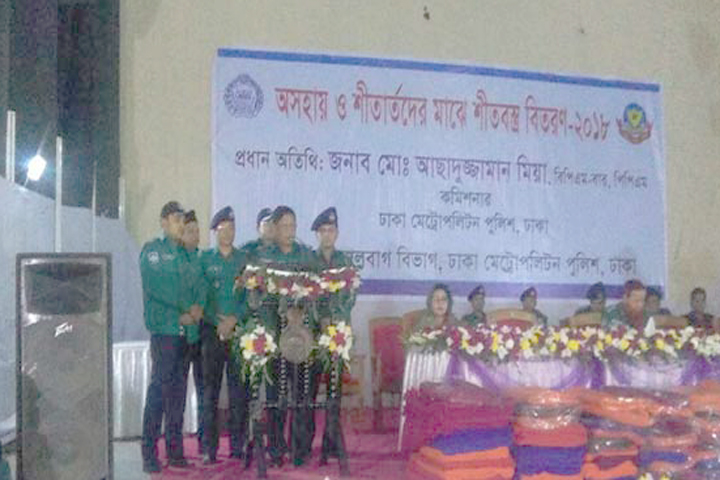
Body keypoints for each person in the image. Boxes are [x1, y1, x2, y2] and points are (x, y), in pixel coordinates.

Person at [140, 201, 201, 472]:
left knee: (178, 394)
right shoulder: (153, 251)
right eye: (176, 219)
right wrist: (185, 310)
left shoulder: (187, 255)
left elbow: (198, 285)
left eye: (182, 219)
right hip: (165, 332)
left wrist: (197, 308)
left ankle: (175, 451)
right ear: (163, 222)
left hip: (186, 334)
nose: (180, 224)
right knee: (159, 393)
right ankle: (149, 452)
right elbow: (157, 287)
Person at [302, 207, 356, 468]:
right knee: (309, 391)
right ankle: (305, 444)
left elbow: (350, 297)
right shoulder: (309, 262)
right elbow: (307, 295)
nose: (327, 234)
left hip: (337, 336)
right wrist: (321, 319)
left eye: (331, 230)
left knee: (335, 392)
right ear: (317, 234)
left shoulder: (345, 261)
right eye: (322, 230)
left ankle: (331, 443)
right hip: (313, 336)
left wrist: (333, 321)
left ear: (337, 233)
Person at [261, 206, 314, 466]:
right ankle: (275, 449)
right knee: (276, 395)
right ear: (275, 228)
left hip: (300, 338)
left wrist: (300, 313)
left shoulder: (305, 256)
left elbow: (315, 290)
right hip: (275, 336)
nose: (289, 231)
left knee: (301, 395)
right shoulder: (266, 258)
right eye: (284, 226)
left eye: (293, 225)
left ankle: (299, 448)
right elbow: (259, 296)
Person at [200, 206, 248, 464]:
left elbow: (251, 296)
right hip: (212, 332)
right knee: (210, 392)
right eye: (222, 229)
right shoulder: (205, 259)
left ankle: (237, 447)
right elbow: (200, 296)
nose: (227, 233)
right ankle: (209, 448)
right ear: (215, 232)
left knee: (238, 392)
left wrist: (234, 319)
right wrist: (216, 321)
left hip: (238, 332)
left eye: (231, 228)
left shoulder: (244, 260)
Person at [179, 210, 205, 455]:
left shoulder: (203, 258)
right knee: (177, 393)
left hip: (201, 335)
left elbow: (206, 290)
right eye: (190, 231)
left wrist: (200, 308)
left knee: (205, 391)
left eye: (197, 231)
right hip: (179, 335)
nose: (195, 235)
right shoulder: (176, 260)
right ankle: (175, 445)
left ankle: (205, 445)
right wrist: (188, 310)